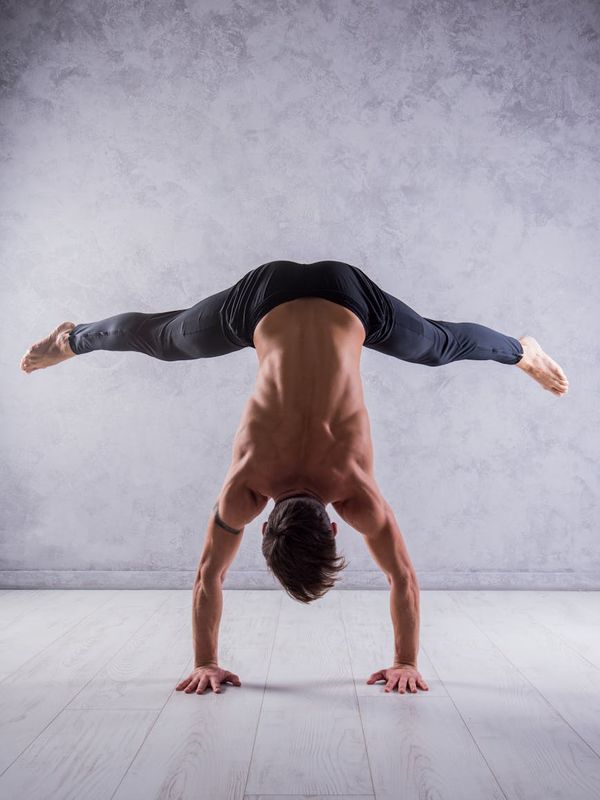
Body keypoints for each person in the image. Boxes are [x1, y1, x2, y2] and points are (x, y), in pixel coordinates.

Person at [19, 260, 569, 696]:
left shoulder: (356, 492)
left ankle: (522, 353)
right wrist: (204, 663)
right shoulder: (246, 486)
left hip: (349, 295)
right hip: (265, 296)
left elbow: (403, 578)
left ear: (333, 528)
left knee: (437, 346)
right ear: (264, 527)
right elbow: (207, 576)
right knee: (164, 339)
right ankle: (72, 339)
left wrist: (405, 662)